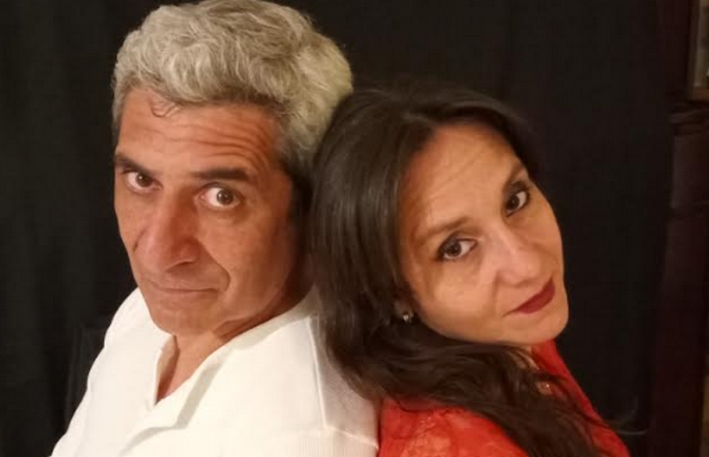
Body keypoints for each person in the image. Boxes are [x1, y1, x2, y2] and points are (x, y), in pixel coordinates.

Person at [50, 1, 377, 456]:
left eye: (221, 196)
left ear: (317, 204)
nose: (158, 253)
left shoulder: (295, 440)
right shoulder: (162, 307)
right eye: (142, 180)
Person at [310, 85, 630, 457]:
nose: (527, 266)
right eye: (456, 248)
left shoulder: (510, 338)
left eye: (515, 200)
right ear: (393, 292)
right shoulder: (455, 446)